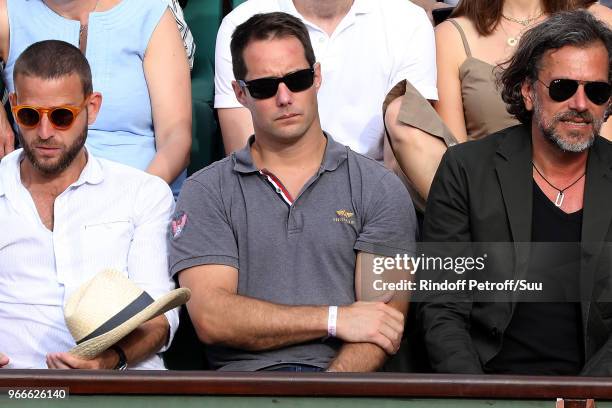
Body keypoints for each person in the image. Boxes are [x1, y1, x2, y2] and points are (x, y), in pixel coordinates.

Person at [171, 12, 417, 372]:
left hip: (344, 390)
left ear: (316, 77)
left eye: (297, 79)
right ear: (240, 93)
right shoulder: (207, 191)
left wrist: (322, 396)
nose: (284, 97)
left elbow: (383, 325)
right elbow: (212, 318)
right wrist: (334, 319)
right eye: (264, 87)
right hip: (244, 392)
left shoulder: (379, 187)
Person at [419, 10, 612, 375]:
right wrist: (476, 397)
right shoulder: (466, 170)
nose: (581, 104)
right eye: (563, 88)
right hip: (488, 387)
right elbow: (441, 305)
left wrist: (587, 395)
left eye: (597, 91)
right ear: (527, 91)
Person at [0, 40, 179, 369]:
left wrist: (109, 362)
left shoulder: (143, 193)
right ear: (13, 107)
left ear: (92, 107)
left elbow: (160, 317)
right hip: (15, 388)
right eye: (29, 115)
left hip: (120, 387)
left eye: (62, 117)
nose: (44, 132)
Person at [384, 0, 612, 206]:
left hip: (581, 189)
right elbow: (456, 153)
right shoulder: (451, 34)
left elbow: (603, 139)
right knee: (400, 112)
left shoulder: (600, 22)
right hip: (489, 197)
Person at [0, 0, 192, 195]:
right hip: (38, 194)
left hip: (138, 191)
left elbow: (175, 138)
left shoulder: (150, 14)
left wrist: (135, 200)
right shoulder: (9, 13)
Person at [214, 0, 437, 162]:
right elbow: (245, 153)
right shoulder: (241, 24)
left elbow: (409, 148)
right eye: (265, 86)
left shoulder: (408, 20)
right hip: (277, 191)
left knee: (403, 114)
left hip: (374, 193)